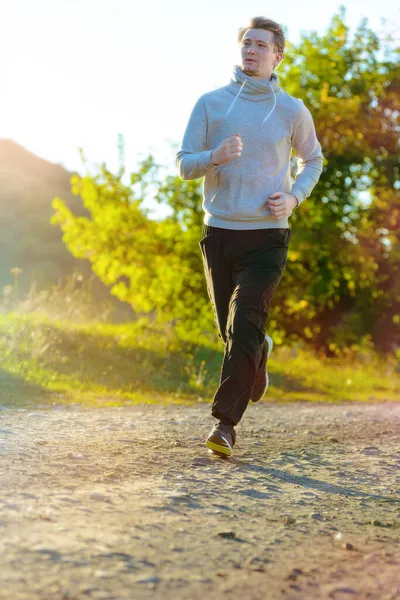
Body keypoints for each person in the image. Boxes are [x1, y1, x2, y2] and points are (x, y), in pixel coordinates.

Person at [176, 16, 324, 457]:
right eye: (246, 44)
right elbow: (185, 164)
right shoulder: (211, 104)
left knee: (243, 325)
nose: (251, 51)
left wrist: (294, 198)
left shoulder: (292, 109)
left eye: (261, 45)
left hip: (267, 238)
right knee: (232, 330)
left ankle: (224, 426)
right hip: (219, 232)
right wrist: (214, 157)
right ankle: (259, 351)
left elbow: (313, 160)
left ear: (278, 55)